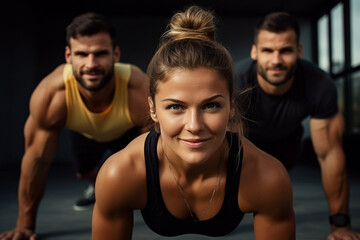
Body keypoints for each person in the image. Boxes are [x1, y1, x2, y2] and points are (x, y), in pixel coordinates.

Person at [92, 5, 295, 240]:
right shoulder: (120, 174)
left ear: (230, 106)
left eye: (211, 106)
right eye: (176, 107)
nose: (194, 125)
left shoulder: (267, 177)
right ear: (153, 109)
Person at [0, 12, 149, 240]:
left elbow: (164, 150)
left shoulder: (137, 88)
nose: (91, 64)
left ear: (115, 54)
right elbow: (37, 162)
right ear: (68, 56)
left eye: (100, 54)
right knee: (84, 172)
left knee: (136, 176)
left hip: (128, 132)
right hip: (85, 132)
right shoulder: (52, 94)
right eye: (82, 54)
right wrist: (24, 225)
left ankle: (111, 185)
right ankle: (97, 185)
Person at [234, 12, 360, 240]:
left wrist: (340, 225)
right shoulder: (236, 84)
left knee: (277, 189)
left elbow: (330, 155)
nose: (276, 60)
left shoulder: (319, 85)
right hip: (245, 145)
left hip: (287, 147)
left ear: (299, 51)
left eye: (286, 50)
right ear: (255, 52)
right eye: (267, 51)